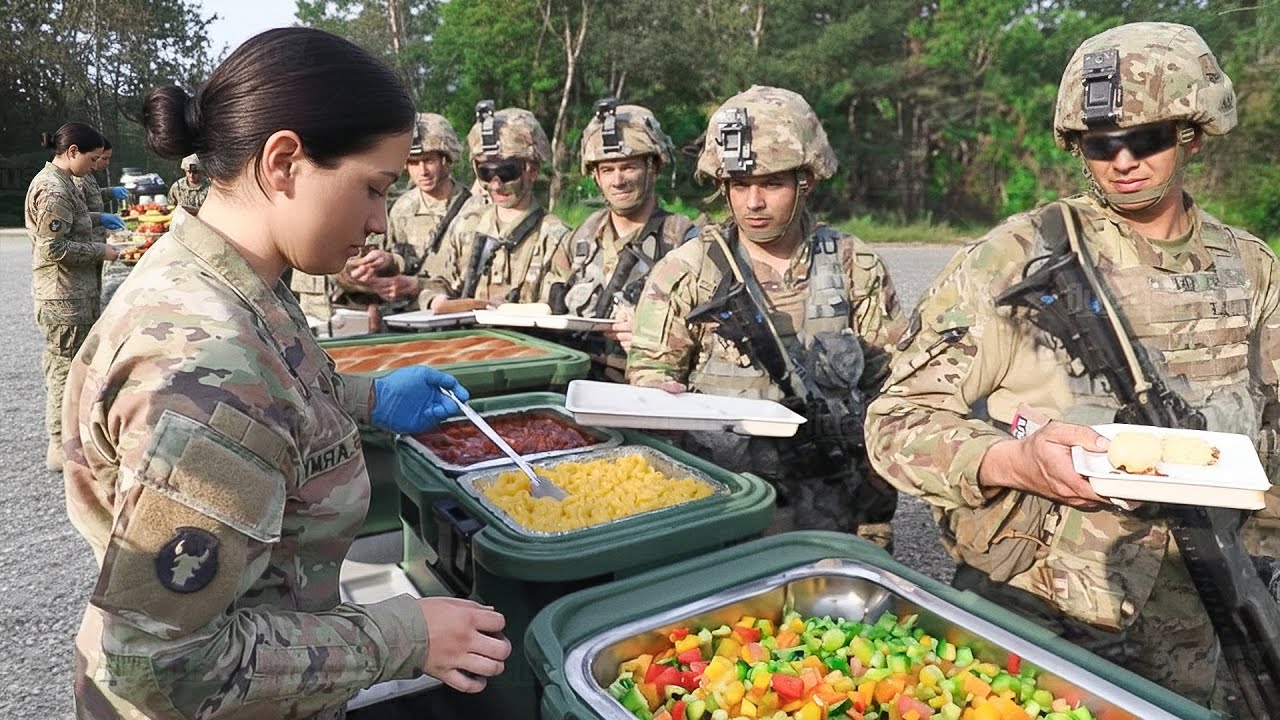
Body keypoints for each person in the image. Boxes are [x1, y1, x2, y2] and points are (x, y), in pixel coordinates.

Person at [63, 28, 511, 719]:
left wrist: (365, 398)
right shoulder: (206, 364)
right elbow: (158, 665)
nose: (377, 223)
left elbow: (278, 396)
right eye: (372, 188)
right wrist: (403, 635)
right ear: (283, 162)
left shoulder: (235, 276)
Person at [865, 22, 1280, 707]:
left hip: (1207, 617)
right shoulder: (1017, 258)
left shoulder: (1252, 270)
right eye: (1099, 143)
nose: (1121, 161)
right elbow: (896, 423)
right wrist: (1016, 463)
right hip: (1044, 614)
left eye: (1144, 138)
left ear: (1193, 135)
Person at [627, 86, 903, 545]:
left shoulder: (855, 265)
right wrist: (657, 393)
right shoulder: (688, 270)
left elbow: (892, 381)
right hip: (727, 501)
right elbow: (651, 371)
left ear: (806, 180)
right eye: (739, 185)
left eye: (771, 183)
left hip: (838, 502)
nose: (753, 202)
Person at [557, 99, 694, 380]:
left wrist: (656, 335)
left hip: (645, 388)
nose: (617, 180)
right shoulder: (580, 237)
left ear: (652, 168)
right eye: (607, 170)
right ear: (595, 176)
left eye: (628, 167)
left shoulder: (683, 241)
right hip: (576, 380)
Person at [294, 113, 475, 324]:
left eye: (429, 161)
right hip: (399, 317)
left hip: (452, 315)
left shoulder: (474, 211)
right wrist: (382, 265)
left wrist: (411, 282)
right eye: (414, 162)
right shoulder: (403, 207)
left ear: (446, 160)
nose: (423, 171)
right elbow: (395, 259)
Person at [26, 121, 127, 472]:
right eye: (93, 158)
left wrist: (102, 216)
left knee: (70, 366)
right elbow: (53, 247)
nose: (93, 167)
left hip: (74, 294)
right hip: (63, 298)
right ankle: (59, 444)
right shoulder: (53, 189)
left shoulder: (66, 182)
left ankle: (69, 437)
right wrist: (103, 252)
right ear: (72, 152)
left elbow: (76, 221)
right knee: (64, 370)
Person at [417, 103, 572, 313]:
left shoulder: (555, 237)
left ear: (532, 170)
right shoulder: (468, 225)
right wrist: (436, 300)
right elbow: (439, 281)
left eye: (507, 172)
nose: (496, 185)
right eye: (486, 173)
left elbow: (559, 309)